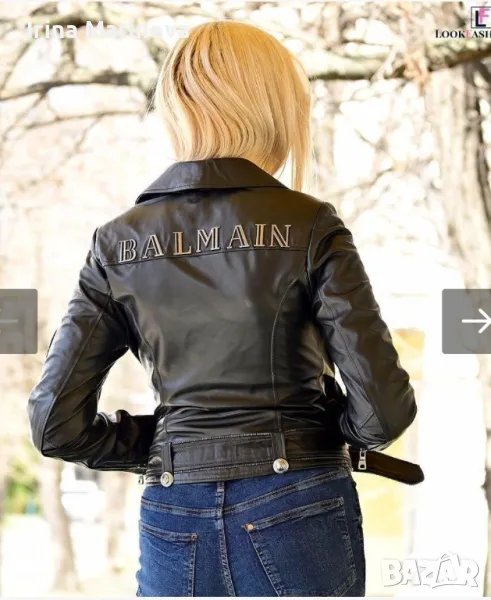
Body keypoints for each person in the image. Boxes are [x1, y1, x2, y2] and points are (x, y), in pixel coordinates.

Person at [27, 20, 417, 597]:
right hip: (297, 500)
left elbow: (55, 426)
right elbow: (382, 413)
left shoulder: (115, 244)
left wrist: (177, 444)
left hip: (173, 510)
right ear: (275, 109)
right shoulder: (310, 226)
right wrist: (322, 429)